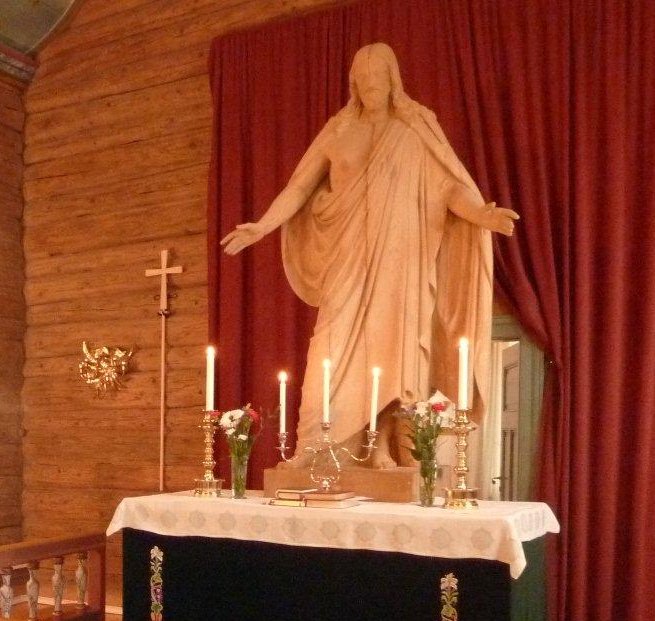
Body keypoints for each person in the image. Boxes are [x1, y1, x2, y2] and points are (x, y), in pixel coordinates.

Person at [221, 43, 517, 467]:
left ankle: (381, 448)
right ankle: (312, 449)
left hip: (401, 263)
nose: (370, 85)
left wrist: (481, 214)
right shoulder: (338, 130)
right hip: (347, 260)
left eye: (378, 77)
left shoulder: (415, 128)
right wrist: (263, 225)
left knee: (393, 351)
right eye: (362, 79)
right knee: (326, 351)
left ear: (393, 80)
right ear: (353, 84)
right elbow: (300, 186)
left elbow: (448, 186)